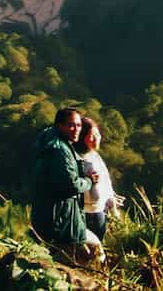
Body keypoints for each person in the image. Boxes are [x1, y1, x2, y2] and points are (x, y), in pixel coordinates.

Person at [30, 107, 103, 259]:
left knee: (92, 249)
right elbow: (71, 185)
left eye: (78, 125)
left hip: (56, 217)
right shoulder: (59, 150)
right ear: (59, 126)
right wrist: (89, 181)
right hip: (60, 221)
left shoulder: (57, 144)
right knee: (87, 255)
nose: (76, 129)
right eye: (71, 125)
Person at [75, 117, 120, 241]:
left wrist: (113, 206)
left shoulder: (94, 155)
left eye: (97, 134)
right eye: (91, 135)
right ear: (81, 137)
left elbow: (106, 182)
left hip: (99, 211)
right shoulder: (76, 158)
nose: (96, 138)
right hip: (82, 214)